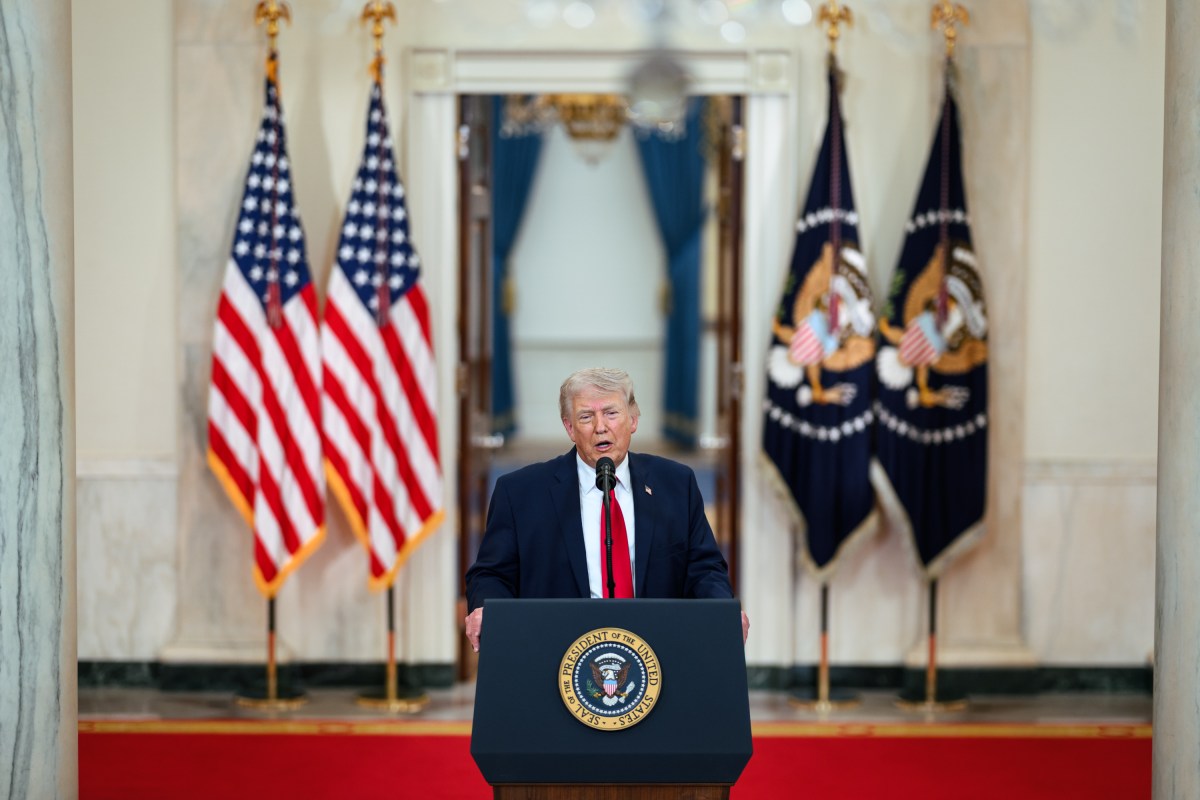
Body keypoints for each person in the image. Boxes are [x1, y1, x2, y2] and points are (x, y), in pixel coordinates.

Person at [464, 367, 749, 652]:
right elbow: (491, 575)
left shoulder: (676, 484)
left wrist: (722, 611)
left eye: (611, 413)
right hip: (555, 651)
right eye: (586, 416)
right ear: (570, 428)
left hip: (658, 651)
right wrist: (486, 609)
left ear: (633, 420)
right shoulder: (520, 493)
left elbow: (704, 569)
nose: (601, 427)